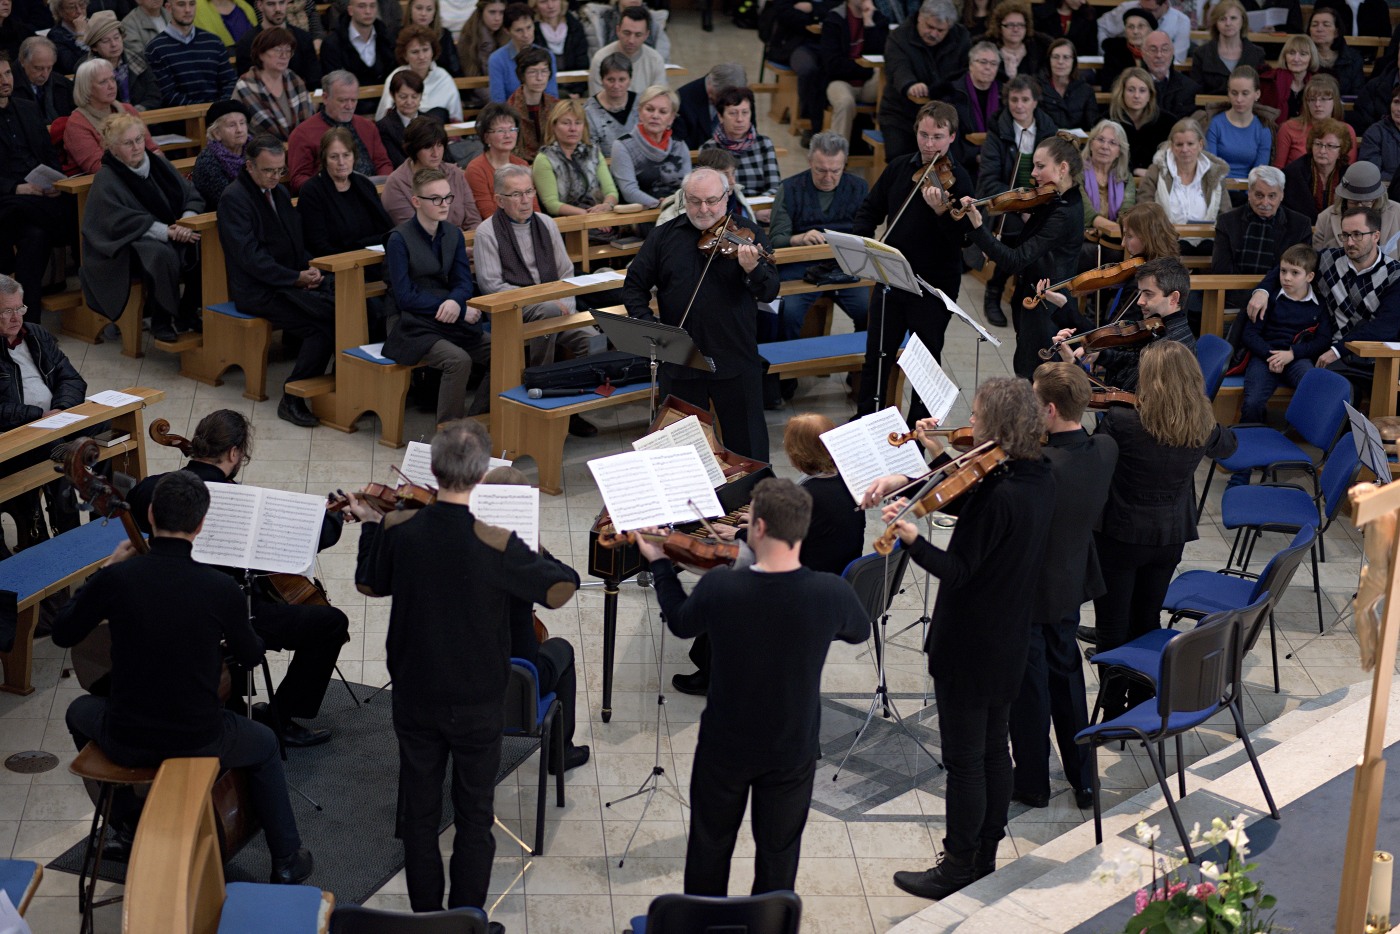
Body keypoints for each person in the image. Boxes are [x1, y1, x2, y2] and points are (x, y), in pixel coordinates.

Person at [349, 419, 577, 921]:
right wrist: (534, 547)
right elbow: (561, 589)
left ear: (433, 470)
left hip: (415, 694)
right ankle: (466, 922)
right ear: (479, 476)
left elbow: (369, 583)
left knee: (420, 817)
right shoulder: (496, 542)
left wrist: (368, 526)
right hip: (478, 701)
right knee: (474, 817)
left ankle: (427, 920)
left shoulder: (400, 528)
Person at [57, 471, 314, 884]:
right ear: (201, 524)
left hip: (126, 737)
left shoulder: (117, 579)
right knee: (265, 743)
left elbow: (63, 632)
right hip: (198, 739)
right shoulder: (219, 588)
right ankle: (286, 860)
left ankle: (127, 826)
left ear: (151, 515)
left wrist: (105, 569)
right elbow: (251, 656)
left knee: (78, 711)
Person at [857, 378, 1053, 900]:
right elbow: (971, 493)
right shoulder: (1035, 475)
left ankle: (958, 865)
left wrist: (912, 540)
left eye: (978, 415)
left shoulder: (1001, 494)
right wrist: (915, 474)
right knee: (993, 751)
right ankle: (984, 854)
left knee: (966, 761)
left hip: (970, 643)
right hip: (1008, 636)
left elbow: (960, 569)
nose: (972, 422)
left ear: (998, 425)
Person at [639, 477, 868, 894]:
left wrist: (658, 561)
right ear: (802, 528)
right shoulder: (830, 593)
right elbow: (858, 631)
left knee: (710, 847)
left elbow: (680, 621)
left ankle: (704, 920)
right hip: (792, 745)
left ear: (758, 527)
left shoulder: (722, 587)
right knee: (779, 855)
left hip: (726, 743)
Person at [125, 410, 349, 746]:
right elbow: (299, 545)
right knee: (330, 623)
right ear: (233, 453)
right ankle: (281, 717)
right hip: (228, 614)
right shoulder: (241, 505)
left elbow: (133, 500)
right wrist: (335, 519)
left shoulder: (156, 489)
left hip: (171, 606)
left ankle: (236, 705)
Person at [1085, 341, 1236, 719]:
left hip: (1119, 536)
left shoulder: (1123, 420)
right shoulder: (1201, 424)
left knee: (1112, 625)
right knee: (1146, 619)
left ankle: (1112, 708)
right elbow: (1229, 445)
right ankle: (1141, 699)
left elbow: (1092, 458)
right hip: (1169, 537)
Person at [1007, 362, 1116, 813]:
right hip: (1070, 580)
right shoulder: (1105, 448)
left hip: (1030, 588)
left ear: (1050, 410)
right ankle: (1083, 780)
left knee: (1030, 688)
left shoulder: (1037, 467)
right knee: (1067, 676)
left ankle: (1032, 783)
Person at [621, 167, 778, 461]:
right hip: (681, 359)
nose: (704, 209)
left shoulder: (749, 234)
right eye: (694, 201)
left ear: (726, 197)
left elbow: (770, 291)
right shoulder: (663, 236)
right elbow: (634, 287)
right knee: (683, 453)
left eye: (712, 201)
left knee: (749, 448)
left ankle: (752, 492)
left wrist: (753, 269)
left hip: (735, 356)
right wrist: (653, 331)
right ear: (684, 199)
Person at [852, 101, 971, 418]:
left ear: (952, 137)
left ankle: (919, 429)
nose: (929, 145)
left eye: (937, 137)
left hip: (933, 286)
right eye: (924, 135)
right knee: (877, 355)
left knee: (925, 361)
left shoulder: (959, 180)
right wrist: (864, 242)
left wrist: (941, 212)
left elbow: (964, 240)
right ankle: (868, 418)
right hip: (891, 278)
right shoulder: (899, 168)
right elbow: (870, 210)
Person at [219, 134, 337, 427]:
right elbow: (250, 258)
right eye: (268, 170)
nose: (275, 176)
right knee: (321, 326)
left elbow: (295, 240)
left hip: (289, 279)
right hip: (258, 289)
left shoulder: (279, 192)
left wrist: (310, 269)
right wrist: (295, 278)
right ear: (249, 166)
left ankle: (340, 385)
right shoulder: (234, 199)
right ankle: (292, 397)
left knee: (350, 307)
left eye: (280, 170)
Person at [474, 163, 601, 434]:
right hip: (512, 312)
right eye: (516, 194)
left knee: (593, 341)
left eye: (529, 191)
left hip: (559, 307)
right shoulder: (487, 232)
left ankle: (571, 410)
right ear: (499, 200)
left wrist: (565, 305)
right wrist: (545, 303)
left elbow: (566, 273)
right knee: (548, 313)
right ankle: (539, 391)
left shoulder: (546, 223)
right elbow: (492, 286)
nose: (525, 200)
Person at [964, 135, 1085, 378]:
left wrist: (979, 228)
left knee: (1035, 377)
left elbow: (1016, 260)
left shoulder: (1064, 213)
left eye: (1040, 166)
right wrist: (995, 243)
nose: (1033, 174)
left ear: (1062, 168)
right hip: (1032, 298)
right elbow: (1028, 247)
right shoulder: (1055, 199)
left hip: (1046, 308)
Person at [1247, 205, 1400, 389]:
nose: (1350, 242)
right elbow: (1290, 266)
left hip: (1375, 356)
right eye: (1345, 235)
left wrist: (1337, 350)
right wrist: (1262, 291)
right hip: (1332, 354)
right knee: (1330, 390)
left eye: (1357, 234)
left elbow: (1385, 327)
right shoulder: (1329, 261)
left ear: (1376, 236)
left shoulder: (1395, 274)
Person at [80, 113, 202, 343]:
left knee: (201, 244)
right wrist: (166, 232)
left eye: (139, 139)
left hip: (172, 230)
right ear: (113, 149)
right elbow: (115, 222)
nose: (136, 147)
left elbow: (189, 194)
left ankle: (187, 311)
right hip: (124, 245)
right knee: (159, 254)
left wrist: (186, 222)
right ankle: (161, 320)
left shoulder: (157, 164)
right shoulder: (107, 178)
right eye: (128, 143)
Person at [384, 167, 492, 421]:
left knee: (503, 351)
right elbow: (404, 296)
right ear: (416, 201)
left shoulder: (452, 234)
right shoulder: (398, 239)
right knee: (458, 360)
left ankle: (476, 421)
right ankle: (449, 431)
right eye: (435, 199)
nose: (444, 204)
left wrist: (455, 301)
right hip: (409, 322)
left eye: (447, 197)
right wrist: (457, 308)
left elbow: (463, 282)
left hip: (447, 315)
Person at [974, 75, 1057, 329]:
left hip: (1040, 202)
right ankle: (995, 290)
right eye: (1014, 99)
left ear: (1035, 102)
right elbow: (989, 181)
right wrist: (1022, 206)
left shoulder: (1048, 130)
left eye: (1025, 100)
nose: (1019, 105)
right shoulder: (998, 131)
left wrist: (1036, 205)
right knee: (1017, 234)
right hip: (1005, 205)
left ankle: (1028, 291)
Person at [769, 131, 869, 340]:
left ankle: (861, 360)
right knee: (788, 313)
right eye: (820, 170)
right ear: (809, 162)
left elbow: (866, 237)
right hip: (800, 267)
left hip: (844, 267)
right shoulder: (790, 188)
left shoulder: (859, 188)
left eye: (835, 171)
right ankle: (789, 360)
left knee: (870, 312)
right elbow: (775, 240)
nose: (828, 178)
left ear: (845, 164)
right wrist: (798, 239)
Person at [1054, 257, 1197, 391]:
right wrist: (1101, 356)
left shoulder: (1167, 348)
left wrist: (1073, 364)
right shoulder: (1162, 328)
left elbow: (1117, 395)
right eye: (1140, 293)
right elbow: (1134, 360)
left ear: (1174, 298)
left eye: (1148, 294)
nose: (1139, 301)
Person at [0, 53, 67, 327]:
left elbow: (48, 154)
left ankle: (29, 324)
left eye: (7, 73)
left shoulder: (27, 108)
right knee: (21, 206)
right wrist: (17, 188)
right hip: (7, 197)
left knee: (36, 237)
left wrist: (55, 183)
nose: (4, 81)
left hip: (36, 200)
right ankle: (68, 227)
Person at [1238, 243, 1331, 424]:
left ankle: (1298, 432)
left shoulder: (1319, 305)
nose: (1287, 278)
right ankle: (1251, 433)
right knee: (1252, 401)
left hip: (1297, 357)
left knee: (1312, 386)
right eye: (1283, 271)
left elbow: (1323, 340)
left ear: (1310, 276)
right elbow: (1249, 335)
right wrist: (1271, 356)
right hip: (1264, 355)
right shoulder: (1269, 299)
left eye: (1295, 273)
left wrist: (1292, 354)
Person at [877, 0, 969, 161]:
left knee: (954, 158)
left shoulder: (961, 37)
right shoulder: (899, 36)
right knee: (901, 160)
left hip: (945, 113)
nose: (933, 33)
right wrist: (910, 84)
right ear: (920, 17)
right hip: (901, 113)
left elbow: (964, 71)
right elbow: (898, 67)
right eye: (929, 27)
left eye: (940, 30)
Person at [1212, 165, 1311, 309]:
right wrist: (1250, 298)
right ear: (1249, 193)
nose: (1265, 203)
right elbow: (1221, 270)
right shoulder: (1227, 222)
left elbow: (1300, 272)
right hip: (1235, 298)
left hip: (1281, 297)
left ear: (1282, 195)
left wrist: (1266, 292)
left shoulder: (1300, 225)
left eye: (1272, 196)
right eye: (1259, 195)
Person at [286, 69, 392, 193]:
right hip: (329, 197)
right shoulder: (303, 134)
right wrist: (332, 188)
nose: (349, 106)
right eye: (342, 100)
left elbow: (383, 164)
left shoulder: (367, 126)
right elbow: (298, 180)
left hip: (372, 192)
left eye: (353, 100)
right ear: (325, 98)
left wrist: (382, 187)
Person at [296, 125, 393, 259]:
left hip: (376, 258)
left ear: (354, 156)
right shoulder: (312, 191)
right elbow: (318, 246)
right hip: (338, 263)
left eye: (346, 155)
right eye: (334, 157)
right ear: (325, 159)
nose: (341, 162)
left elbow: (385, 229)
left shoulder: (364, 184)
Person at [1139, 117, 1230, 255]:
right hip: (1166, 241)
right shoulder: (1156, 170)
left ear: (1200, 145)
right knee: (1179, 248)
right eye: (1179, 144)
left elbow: (1225, 213)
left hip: (1208, 241)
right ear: (1171, 146)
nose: (1185, 149)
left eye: (1190, 144)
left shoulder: (1215, 173)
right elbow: (1144, 207)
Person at [382, 115, 479, 227]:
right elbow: (411, 231)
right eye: (427, 147)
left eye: (439, 145)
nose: (436, 154)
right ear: (414, 148)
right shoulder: (396, 183)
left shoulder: (455, 173)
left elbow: (474, 220)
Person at [64, 58, 157, 174]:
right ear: (87, 88)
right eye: (103, 82)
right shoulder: (77, 123)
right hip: (108, 182)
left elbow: (152, 149)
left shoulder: (128, 110)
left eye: (112, 79)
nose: (112, 86)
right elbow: (97, 167)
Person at [532, 98, 619, 221]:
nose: (573, 128)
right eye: (566, 123)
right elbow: (552, 204)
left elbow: (611, 191)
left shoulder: (593, 152)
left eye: (578, 123)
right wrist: (590, 216)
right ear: (553, 126)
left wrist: (607, 206)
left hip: (601, 217)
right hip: (568, 223)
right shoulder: (545, 158)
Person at [143, 0, 237, 106]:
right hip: (181, 115)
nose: (188, 10)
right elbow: (167, 95)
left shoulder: (214, 42)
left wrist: (220, 108)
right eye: (181, 4)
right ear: (168, 8)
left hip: (220, 113)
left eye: (192, 4)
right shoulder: (155, 49)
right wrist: (207, 110)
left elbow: (230, 82)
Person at [609, 84, 688, 209]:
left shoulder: (679, 145)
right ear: (640, 112)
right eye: (650, 109)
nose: (655, 116)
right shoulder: (622, 146)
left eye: (663, 112)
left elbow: (688, 186)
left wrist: (678, 205)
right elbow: (629, 191)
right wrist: (662, 205)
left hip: (678, 209)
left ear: (671, 118)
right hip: (640, 213)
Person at [818, 0, 886, 143]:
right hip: (840, 81)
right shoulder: (834, 19)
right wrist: (865, 70)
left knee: (889, 81)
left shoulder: (878, 18)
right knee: (845, 102)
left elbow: (879, 56)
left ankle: (885, 146)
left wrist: (869, 23)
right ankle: (837, 153)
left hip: (869, 83)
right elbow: (833, 65)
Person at [233, 26, 314, 142]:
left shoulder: (294, 80)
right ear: (261, 53)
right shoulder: (245, 86)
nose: (284, 56)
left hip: (300, 147)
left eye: (288, 51)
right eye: (278, 50)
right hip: (259, 150)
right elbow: (237, 129)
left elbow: (309, 122)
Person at [699, 85, 780, 199]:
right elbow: (708, 192)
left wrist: (754, 206)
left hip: (761, 205)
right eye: (733, 113)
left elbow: (775, 188)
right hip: (726, 206)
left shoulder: (764, 143)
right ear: (720, 116)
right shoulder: (709, 148)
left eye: (745, 112)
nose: (740, 119)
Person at [374, 23, 462, 123]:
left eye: (425, 50)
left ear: (433, 51)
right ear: (405, 55)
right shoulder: (396, 77)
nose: (421, 57)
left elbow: (456, 119)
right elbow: (384, 117)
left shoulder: (444, 78)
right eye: (415, 52)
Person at [318, 0, 395, 112]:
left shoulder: (387, 38)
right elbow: (331, 83)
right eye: (362, 6)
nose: (368, 11)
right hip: (347, 109)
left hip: (384, 106)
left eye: (372, 6)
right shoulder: (332, 44)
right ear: (350, 10)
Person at [466, 101, 535, 219]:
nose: (508, 135)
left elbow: (533, 206)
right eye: (500, 131)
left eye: (512, 129)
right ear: (486, 137)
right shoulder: (476, 169)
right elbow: (488, 213)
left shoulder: (521, 164)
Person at [1079, 119, 1135, 262]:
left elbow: (1126, 213)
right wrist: (1115, 230)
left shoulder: (1125, 177)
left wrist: (1115, 231)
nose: (1105, 146)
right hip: (1083, 235)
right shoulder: (1077, 172)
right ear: (1091, 143)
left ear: (1119, 151)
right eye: (1100, 140)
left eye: (1112, 143)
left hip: (1115, 238)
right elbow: (1087, 214)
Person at [1206, 66, 1273, 186]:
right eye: (1234, 93)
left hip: (1250, 191)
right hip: (1218, 189)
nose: (1239, 99)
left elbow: (1259, 172)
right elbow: (1211, 167)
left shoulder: (1263, 129)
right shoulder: (1216, 124)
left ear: (1257, 94)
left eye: (1245, 93)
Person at [79, 11, 159, 110]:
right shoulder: (86, 69)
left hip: (143, 116)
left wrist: (134, 112)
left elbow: (154, 95)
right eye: (106, 41)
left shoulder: (137, 59)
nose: (114, 44)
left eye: (116, 37)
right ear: (94, 47)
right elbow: (85, 103)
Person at [1314, 160, 1400, 252]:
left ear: (1377, 199)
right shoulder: (1325, 218)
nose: (1360, 207)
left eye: (1366, 201)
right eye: (1353, 202)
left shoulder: (1397, 212)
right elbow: (1318, 257)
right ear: (1344, 198)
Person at [1273, 74, 1355, 169]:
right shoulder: (1288, 128)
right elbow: (1277, 170)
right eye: (1312, 99)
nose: (1317, 104)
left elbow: (1349, 170)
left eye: (1323, 99)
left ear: (1335, 101)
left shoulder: (1346, 130)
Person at [233, 0, 317, 86]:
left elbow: (314, 81)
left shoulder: (303, 38)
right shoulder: (246, 43)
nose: (278, 9)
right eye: (271, 4)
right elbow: (247, 83)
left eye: (281, 3)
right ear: (260, 5)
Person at [1107, 68, 1173, 179]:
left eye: (1142, 90)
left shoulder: (1168, 122)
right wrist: (1135, 170)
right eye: (1131, 90)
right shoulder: (1107, 121)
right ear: (1122, 93)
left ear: (1150, 95)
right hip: (1115, 179)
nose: (1136, 96)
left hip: (1157, 181)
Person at [1282, 116, 1351, 222]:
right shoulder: (1294, 173)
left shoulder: (1348, 175)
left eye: (1330, 146)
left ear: (1341, 151)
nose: (1322, 151)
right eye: (1318, 144)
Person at [1190, 0, 1264, 95]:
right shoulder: (1201, 54)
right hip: (1210, 104)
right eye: (1222, 19)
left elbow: (1260, 91)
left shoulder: (1257, 54)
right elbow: (1196, 92)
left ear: (1243, 20)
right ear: (1216, 23)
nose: (1228, 23)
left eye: (1233, 18)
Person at [948, 41, 999, 175]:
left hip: (996, 163)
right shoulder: (953, 94)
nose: (988, 67)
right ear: (971, 65)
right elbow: (950, 137)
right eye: (983, 62)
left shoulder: (1004, 94)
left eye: (993, 63)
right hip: (962, 166)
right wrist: (975, 156)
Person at [489, 3, 558, 102]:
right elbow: (498, 100)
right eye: (519, 30)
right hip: (510, 110)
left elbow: (552, 95)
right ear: (507, 31)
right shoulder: (497, 59)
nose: (526, 35)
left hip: (543, 109)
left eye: (529, 27)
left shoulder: (547, 55)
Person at [587, 4, 661, 97]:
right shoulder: (601, 58)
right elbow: (596, 101)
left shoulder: (655, 60)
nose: (631, 40)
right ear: (618, 30)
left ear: (646, 35)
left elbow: (660, 98)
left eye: (638, 35)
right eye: (627, 33)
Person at [190, 98, 249, 206]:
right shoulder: (208, 161)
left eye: (242, 123)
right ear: (216, 133)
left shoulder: (255, 150)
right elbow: (227, 199)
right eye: (232, 125)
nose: (239, 130)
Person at [673, 61, 743, 151]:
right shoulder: (683, 99)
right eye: (720, 98)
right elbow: (679, 145)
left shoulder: (743, 97)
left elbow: (750, 134)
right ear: (710, 86)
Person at [505, 46, 556, 161]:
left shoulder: (556, 106)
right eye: (533, 72)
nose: (539, 78)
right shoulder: (509, 109)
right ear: (522, 75)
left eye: (544, 71)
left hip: (551, 162)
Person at [1097, 0, 1187, 62]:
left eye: (1150, 10)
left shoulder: (1181, 20)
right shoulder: (1126, 8)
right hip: (1123, 60)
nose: (1145, 13)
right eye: (1142, 8)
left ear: (1165, 4)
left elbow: (1177, 58)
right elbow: (1101, 26)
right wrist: (1105, 54)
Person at [1037, 37, 1095, 132]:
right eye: (1055, 57)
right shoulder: (1037, 87)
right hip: (1046, 139)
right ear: (1049, 60)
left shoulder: (1086, 90)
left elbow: (1092, 124)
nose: (1060, 62)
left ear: (1073, 61)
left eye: (1066, 57)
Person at [585, 52, 636, 157]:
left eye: (622, 80)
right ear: (602, 80)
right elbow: (591, 153)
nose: (616, 85)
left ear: (630, 80)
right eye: (610, 80)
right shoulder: (589, 110)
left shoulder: (641, 104)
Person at [13, 36, 73, 120]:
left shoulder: (63, 84)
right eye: (39, 68)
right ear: (22, 61)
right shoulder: (9, 88)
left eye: (49, 68)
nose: (45, 75)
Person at [454, 0, 505, 101]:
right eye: (492, 12)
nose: (497, 18)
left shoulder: (507, 33)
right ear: (481, 12)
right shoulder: (469, 38)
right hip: (480, 93)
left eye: (501, 12)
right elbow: (473, 78)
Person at [1310, 5, 1365, 95]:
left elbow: (1357, 94)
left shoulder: (1353, 59)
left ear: (1336, 32)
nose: (1319, 29)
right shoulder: (1301, 56)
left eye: (1326, 25)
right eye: (1314, 25)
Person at [375, 70, 425, 168]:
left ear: (421, 96)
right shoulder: (384, 127)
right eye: (403, 97)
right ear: (392, 95)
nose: (409, 102)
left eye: (414, 96)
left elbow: (446, 158)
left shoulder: (432, 121)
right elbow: (398, 162)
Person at [1261, 34, 1317, 119]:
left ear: (1311, 58)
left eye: (1303, 54)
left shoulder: (1317, 83)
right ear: (1285, 56)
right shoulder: (1270, 82)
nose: (1296, 59)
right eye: (1292, 53)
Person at [1099, 6, 1155, 90]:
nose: (1135, 31)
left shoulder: (1159, 52)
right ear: (1125, 30)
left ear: (1151, 31)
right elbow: (1110, 85)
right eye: (1130, 27)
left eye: (1141, 26)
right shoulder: (1115, 51)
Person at [987, 0, 1043, 81]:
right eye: (1010, 25)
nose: (1016, 29)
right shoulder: (988, 51)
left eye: (1020, 25)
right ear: (999, 27)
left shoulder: (1038, 53)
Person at [404, 0, 459, 76]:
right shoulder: (397, 35)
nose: (423, 13)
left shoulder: (444, 35)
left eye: (429, 9)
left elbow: (454, 68)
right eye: (419, 8)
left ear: (435, 13)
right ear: (410, 10)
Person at [531, 0, 585, 73]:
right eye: (543, 2)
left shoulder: (575, 26)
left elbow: (582, 61)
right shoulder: (531, 30)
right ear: (535, 6)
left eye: (554, 0)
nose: (550, 6)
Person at [1362, 84, 1400, 184]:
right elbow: (1371, 173)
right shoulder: (1374, 132)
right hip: (1385, 189)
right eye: (1396, 102)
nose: (1399, 109)